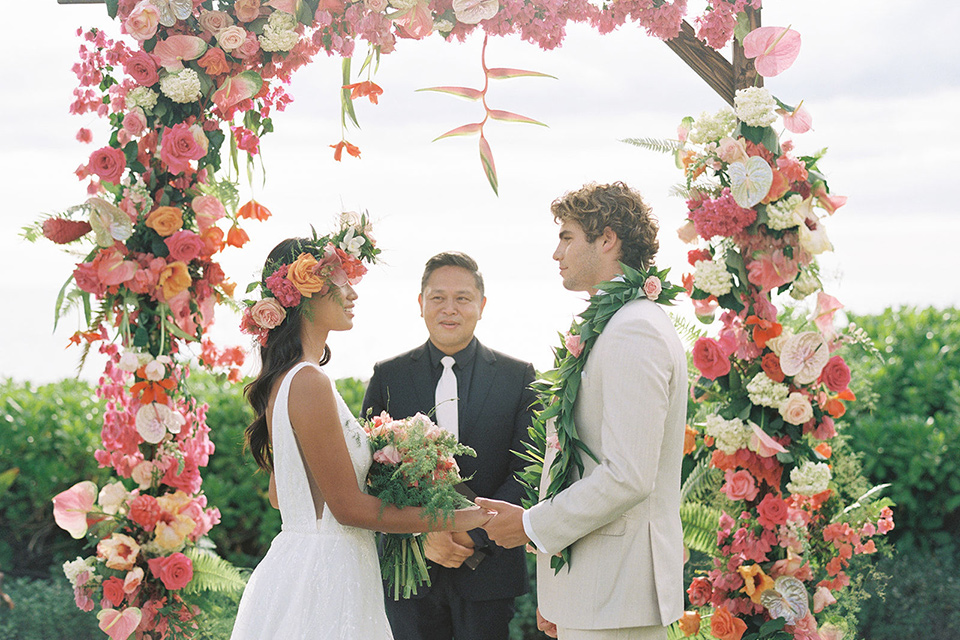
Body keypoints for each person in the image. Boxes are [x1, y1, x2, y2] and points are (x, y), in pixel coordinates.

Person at [230, 224, 492, 640]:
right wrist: (456, 515)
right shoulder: (310, 382)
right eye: (342, 284)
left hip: (305, 561)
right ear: (308, 293)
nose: (353, 294)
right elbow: (348, 509)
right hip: (328, 572)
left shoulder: (284, 380)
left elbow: (283, 496)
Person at [477, 182, 687, 640]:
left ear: (606, 239)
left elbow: (628, 475)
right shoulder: (615, 325)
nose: (557, 253)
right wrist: (559, 594)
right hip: (594, 594)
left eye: (567, 237)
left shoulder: (636, 332)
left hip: (617, 595)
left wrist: (529, 525)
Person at [362, 251, 537, 640]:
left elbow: (528, 469)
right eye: (438, 297)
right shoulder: (388, 375)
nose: (449, 309)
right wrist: (422, 534)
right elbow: (368, 472)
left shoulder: (518, 376)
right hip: (409, 568)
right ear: (420, 303)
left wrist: (469, 532)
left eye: (462, 298)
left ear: (482, 305)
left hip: (489, 569)